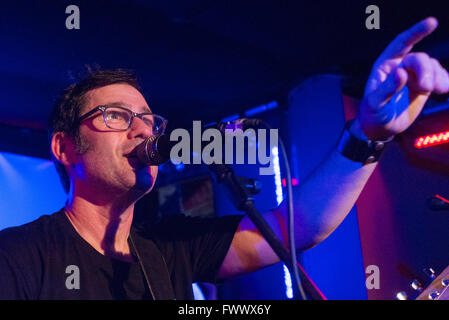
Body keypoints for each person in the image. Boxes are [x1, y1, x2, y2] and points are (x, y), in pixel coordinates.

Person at [0, 17, 448, 300]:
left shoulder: (168, 249)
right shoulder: (17, 257)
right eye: (115, 116)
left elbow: (301, 226)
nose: (143, 129)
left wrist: (368, 132)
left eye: (149, 120)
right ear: (63, 148)